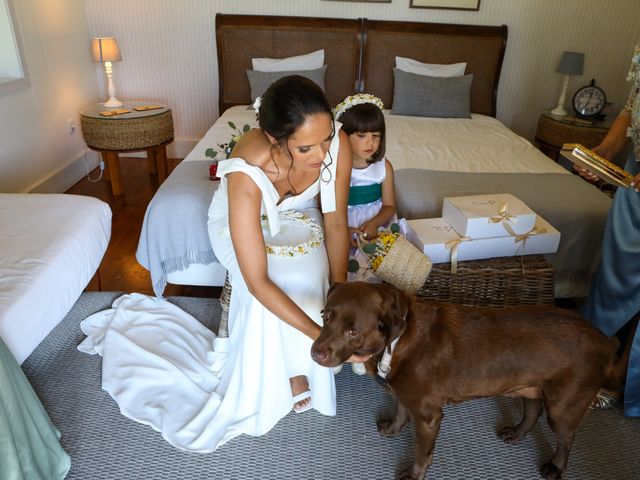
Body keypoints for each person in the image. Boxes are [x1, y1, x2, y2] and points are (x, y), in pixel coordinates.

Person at [207, 75, 369, 444]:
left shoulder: (336, 144)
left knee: (313, 270)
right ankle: (290, 368)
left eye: (326, 139)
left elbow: (335, 219)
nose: (323, 155)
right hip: (238, 223)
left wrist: (338, 294)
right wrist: (325, 339)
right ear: (274, 139)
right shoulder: (247, 170)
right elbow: (257, 281)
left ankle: (301, 363)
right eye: (306, 149)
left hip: (296, 215)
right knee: (271, 277)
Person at [576, 42, 640, 418]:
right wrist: (604, 151)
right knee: (614, 278)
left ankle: (619, 378)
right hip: (634, 181)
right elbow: (633, 110)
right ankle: (591, 359)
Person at [334, 94, 397, 280]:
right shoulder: (333, 168)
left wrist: (374, 223)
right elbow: (325, 209)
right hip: (342, 224)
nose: (371, 142)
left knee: (380, 269)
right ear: (343, 135)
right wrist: (344, 229)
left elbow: (390, 206)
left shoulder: (383, 167)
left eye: (376, 136)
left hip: (375, 225)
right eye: (362, 136)